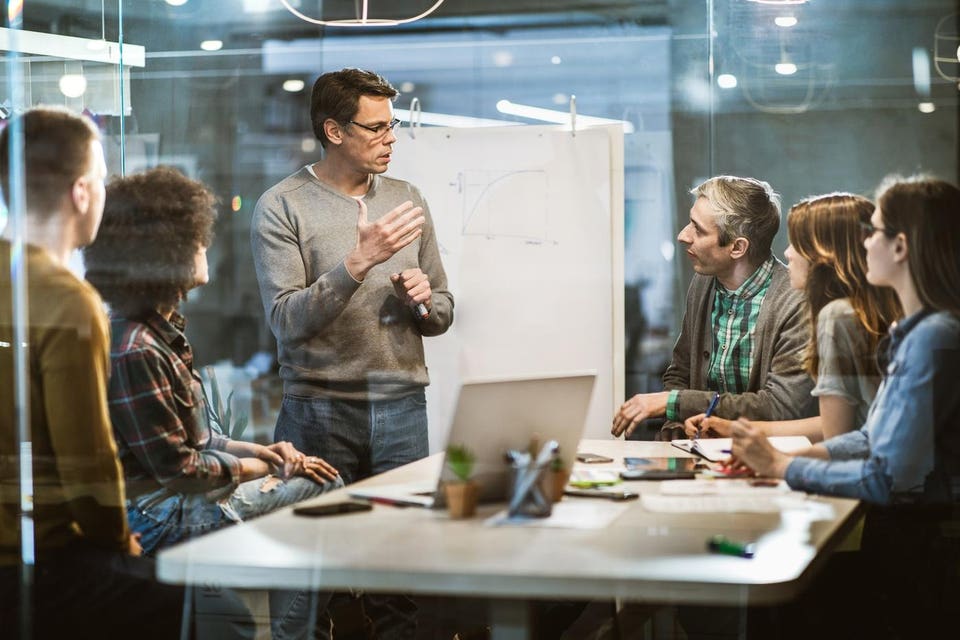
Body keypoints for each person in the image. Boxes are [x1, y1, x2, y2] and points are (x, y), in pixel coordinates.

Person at [0, 107, 245, 639]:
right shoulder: (68, 300)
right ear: (82, 193)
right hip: (42, 553)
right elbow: (87, 457)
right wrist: (118, 543)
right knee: (191, 613)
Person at [83, 166, 342, 639]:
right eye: (195, 241)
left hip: (180, 498)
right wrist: (265, 471)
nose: (205, 248)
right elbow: (181, 469)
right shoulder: (136, 346)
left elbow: (200, 439)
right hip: (164, 514)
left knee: (317, 481)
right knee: (322, 488)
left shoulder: (161, 331)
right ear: (164, 254)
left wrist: (264, 453)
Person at [730, 175, 960, 638]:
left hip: (923, 542)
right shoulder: (916, 330)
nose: (864, 242)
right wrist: (779, 458)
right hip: (910, 534)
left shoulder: (934, 335)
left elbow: (883, 475)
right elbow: (872, 438)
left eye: (872, 231)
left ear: (900, 247)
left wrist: (781, 467)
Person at [251, 68, 453, 485]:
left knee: (400, 540)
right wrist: (357, 264)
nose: (391, 138)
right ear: (334, 131)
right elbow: (286, 322)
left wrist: (424, 301)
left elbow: (443, 310)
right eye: (377, 128)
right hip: (317, 410)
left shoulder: (407, 197)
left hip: (402, 406)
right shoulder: (282, 206)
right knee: (320, 543)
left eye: (391, 125)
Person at [683, 193, 901, 441]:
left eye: (797, 244)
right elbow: (843, 426)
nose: (787, 254)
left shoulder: (837, 316)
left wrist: (778, 465)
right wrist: (733, 429)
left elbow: (838, 439)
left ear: (824, 255)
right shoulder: (864, 313)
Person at [612, 175, 816, 440]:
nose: (683, 236)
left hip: (763, 462)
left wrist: (676, 403)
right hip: (704, 459)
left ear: (737, 247)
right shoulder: (703, 283)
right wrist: (678, 426)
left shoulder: (795, 301)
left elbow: (780, 406)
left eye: (698, 229)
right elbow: (680, 372)